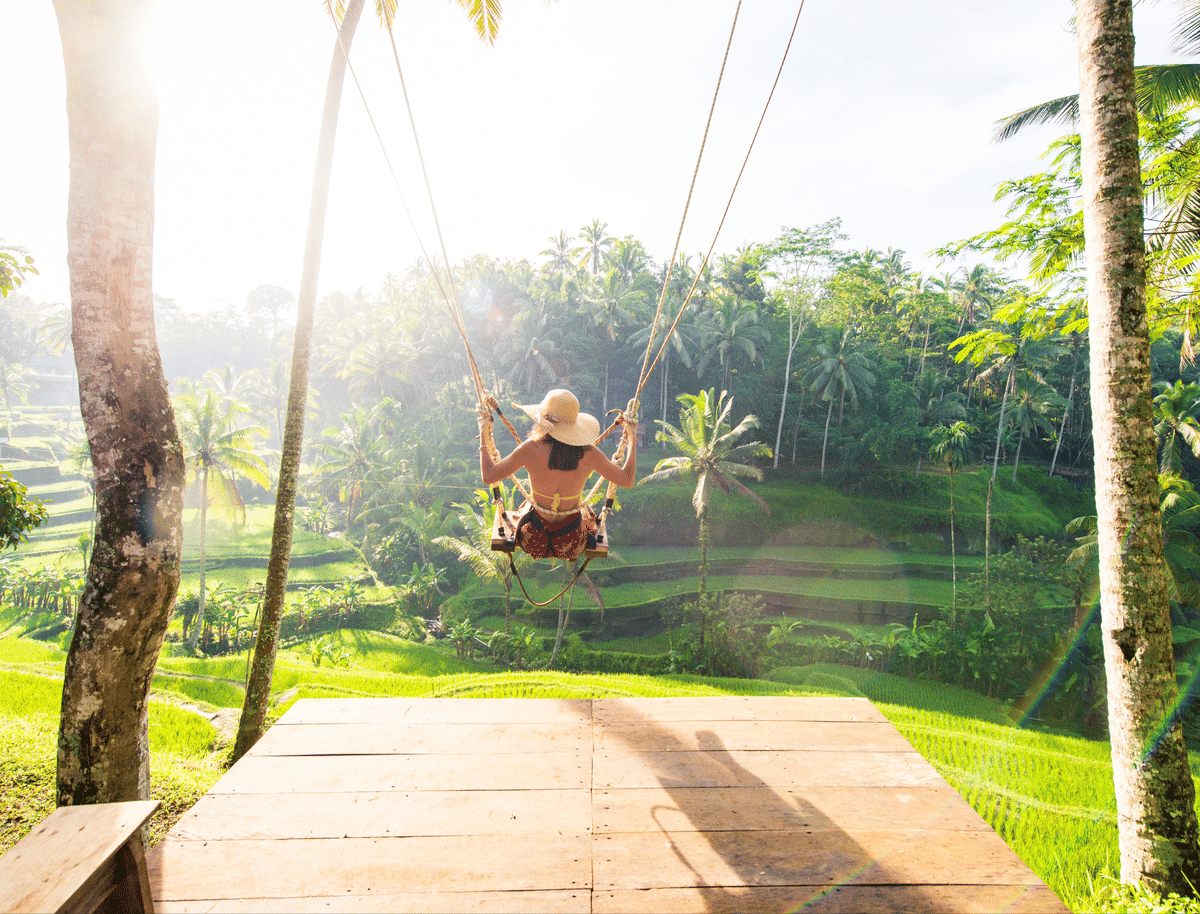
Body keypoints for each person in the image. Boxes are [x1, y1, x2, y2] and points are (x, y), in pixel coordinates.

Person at [478, 388, 637, 560]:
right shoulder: (589, 453)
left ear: (542, 422)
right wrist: (632, 437)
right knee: (586, 514)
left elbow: (488, 476)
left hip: (532, 539)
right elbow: (627, 480)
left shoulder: (530, 449)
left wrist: (482, 432)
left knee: (525, 508)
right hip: (572, 543)